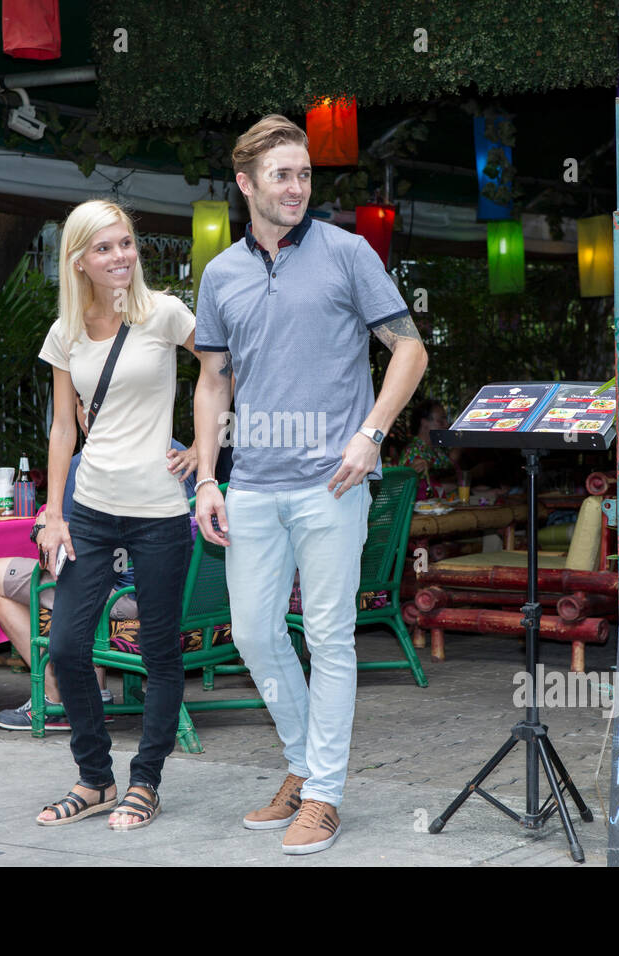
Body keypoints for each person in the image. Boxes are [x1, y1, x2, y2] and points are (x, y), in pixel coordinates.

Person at [193, 115, 428, 855]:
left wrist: (372, 434)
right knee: (257, 634)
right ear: (245, 184)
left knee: (329, 637)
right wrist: (206, 477)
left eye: (304, 174)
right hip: (254, 481)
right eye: (282, 175)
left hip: (332, 481)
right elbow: (211, 382)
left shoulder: (347, 253)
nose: (296, 187)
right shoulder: (221, 273)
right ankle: (303, 767)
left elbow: (410, 350)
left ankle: (324, 794)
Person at [28, 198, 202, 831]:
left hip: (159, 510)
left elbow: (221, 367)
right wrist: (53, 513)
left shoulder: (165, 313)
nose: (121, 255)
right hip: (91, 508)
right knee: (68, 646)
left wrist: (204, 451)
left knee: (159, 651)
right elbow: (61, 431)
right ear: (79, 261)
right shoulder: (65, 333)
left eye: (126, 243)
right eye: (104, 247)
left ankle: (145, 780)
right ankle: (95, 777)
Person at [0, 432, 197, 732]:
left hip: (127, 597)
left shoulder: (88, 463)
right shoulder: (184, 454)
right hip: (180, 597)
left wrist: (43, 527)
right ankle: (97, 691)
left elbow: (65, 554)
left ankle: (59, 699)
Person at [399, 399, 461, 499]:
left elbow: (450, 465)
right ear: (424, 423)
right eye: (441, 421)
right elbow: (412, 493)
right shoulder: (413, 452)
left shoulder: (435, 449)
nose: (446, 425)